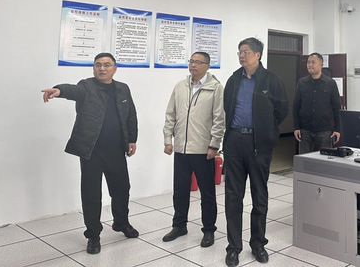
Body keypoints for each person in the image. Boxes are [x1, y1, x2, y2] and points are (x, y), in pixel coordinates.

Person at [41, 52, 138, 255]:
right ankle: (93, 235)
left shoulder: (123, 88)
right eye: (98, 65)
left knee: (121, 190)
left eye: (107, 65)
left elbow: (131, 115)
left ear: (115, 68)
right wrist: (59, 90)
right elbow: (73, 90)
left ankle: (121, 222)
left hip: (116, 150)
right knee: (91, 194)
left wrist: (132, 139)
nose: (102, 68)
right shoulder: (86, 86)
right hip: (91, 151)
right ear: (93, 68)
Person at [223, 37, 289, 266]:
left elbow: (282, 110)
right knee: (233, 196)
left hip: (259, 144)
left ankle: (258, 244)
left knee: (259, 196)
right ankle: (233, 247)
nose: (241, 56)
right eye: (239, 52)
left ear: (257, 55)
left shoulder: (272, 80)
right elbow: (227, 107)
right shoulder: (234, 79)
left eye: (246, 52)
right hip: (234, 141)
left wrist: (266, 130)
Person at [162, 51, 225, 246]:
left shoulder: (215, 88)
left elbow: (219, 118)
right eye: (191, 61)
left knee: (207, 193)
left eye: (198, 62)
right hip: (181, 148)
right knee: (180, 191)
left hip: (203, 150)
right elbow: (170, 114)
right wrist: (168, 139)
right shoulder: (180, 86)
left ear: (207, 65)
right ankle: (179, 225)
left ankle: (209, 230)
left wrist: (214, 144)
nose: (193, 65)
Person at [293, 52, 341, 154]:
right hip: (305, 130)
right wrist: (296, 127)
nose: (310, 65)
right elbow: (296, 106)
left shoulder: (330, 83)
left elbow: (337, 107)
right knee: (304, 160)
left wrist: (337, 129)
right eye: (308, 62)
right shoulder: (302, 83)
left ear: (321, 64)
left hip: (324, 130)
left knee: (325, 159)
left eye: (313, 62)